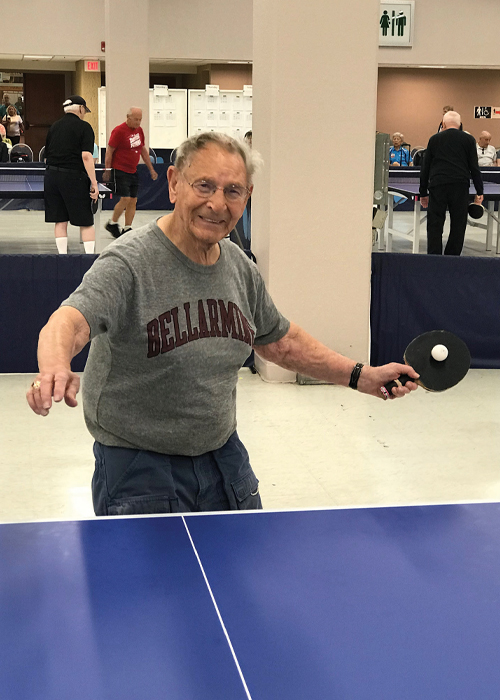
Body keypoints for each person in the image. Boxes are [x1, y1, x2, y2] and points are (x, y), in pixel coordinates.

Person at [26, 132, 419, 516]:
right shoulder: (129, 262)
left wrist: (361, 376)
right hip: (137, 464)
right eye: (204, 186)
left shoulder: (239, 267)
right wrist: (56, 365)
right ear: (174, 184)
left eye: (233, 191)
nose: (217, 203)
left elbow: (280, 341)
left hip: (222, 457)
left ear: (247, 197)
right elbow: (70, 320)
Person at [420, 111, 483, 256]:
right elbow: (474, 167)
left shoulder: (434, 139)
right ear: (460, 125)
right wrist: (480, 191)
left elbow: (425, 167)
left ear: (443, 124)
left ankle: (434, 256)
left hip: (438, 185)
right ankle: (452, 257)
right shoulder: (469, 140)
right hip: (460, 186)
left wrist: (423, 192)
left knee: (435, 222)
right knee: (458, 223)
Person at [43, 95, 98, 255]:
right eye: (84, 111)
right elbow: (86, 156)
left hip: (51, 177)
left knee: (60, 220)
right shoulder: (84, 127)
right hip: (74, 178)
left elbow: (47, 154)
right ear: (81, 108)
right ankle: (89, 258)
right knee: (86, 221)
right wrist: (94, 183)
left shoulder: (54, 127)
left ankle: (62, 256)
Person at [103, 107, 158, 238]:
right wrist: (107, 169)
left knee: (133, 200)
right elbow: (109, 151)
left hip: (133, 170)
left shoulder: (139, 131)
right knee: (125, 198)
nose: (138, 122)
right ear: (128, 118)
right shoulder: (119, 131)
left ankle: (127, 227)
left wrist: (151, 168)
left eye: (140, 120)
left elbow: (143, 150)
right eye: (136, 119)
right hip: (120, 169)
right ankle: (112, 223)